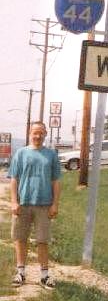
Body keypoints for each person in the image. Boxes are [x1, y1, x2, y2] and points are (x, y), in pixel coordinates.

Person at [8, 121, 61, 290]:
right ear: (30, 133)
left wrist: (55, 204)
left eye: (41, 133)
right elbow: (14, 179)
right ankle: (20, 272)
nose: (38, 136)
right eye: (35, 133)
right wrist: (14, 201)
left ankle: (44, 276)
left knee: (42, 240)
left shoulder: (51, 155)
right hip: (23, 204)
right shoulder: (21, 153)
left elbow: (56, 181)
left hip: (44, 205)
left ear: (45, 134)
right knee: (20, 238)